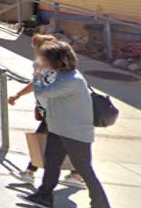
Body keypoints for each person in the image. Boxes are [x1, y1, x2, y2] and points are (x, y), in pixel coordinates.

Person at [23, 42, 111, 208]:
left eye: (44, 57)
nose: (40, 59)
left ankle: (101, 204)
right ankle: (44, 195)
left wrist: (37, 73)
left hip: (75, 132)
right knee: (52, 162)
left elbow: (43, 92)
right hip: (59, 127)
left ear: (55, 60)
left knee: (84, 168)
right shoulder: (62, 75)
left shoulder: (72, 80)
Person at [8, 35, 84, 188]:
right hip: (57, 112)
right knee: (64, 143)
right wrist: (19, 94)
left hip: (57, 113)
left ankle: (32, 173)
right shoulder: (55, 66)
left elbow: (40, 86)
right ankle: (75, 175)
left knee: (48, 142)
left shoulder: (50, 68)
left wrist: (20, 94)